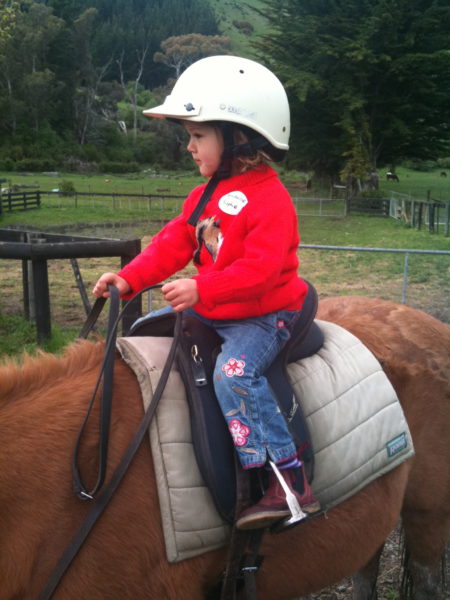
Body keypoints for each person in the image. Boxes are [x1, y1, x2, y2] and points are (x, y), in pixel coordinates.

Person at [93, 55, 320, 529]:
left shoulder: (272, 200)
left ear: (238, 137)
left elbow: (261, 271)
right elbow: (175, 240)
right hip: (216, 308)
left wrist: (202, 286)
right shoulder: (204, 196)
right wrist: (128, 278)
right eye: (190, 138)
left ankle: (289, 481)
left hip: (262, 316)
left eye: (198, 136)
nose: (189, 148)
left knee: (233, 374)